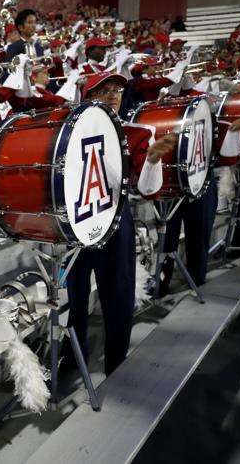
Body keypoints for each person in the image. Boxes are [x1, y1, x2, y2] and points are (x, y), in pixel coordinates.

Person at [63, 72, 177, 378]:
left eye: (117, 90)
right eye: (104, 90)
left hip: (114, 220)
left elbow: (149, 190)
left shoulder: (136, 133)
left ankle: (116, 363)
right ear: (88, 97)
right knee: (75, 296)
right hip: (75, 222)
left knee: (119, 296)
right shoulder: (67, 133)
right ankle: (75, 355)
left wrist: (152, 160)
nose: (113, 95)